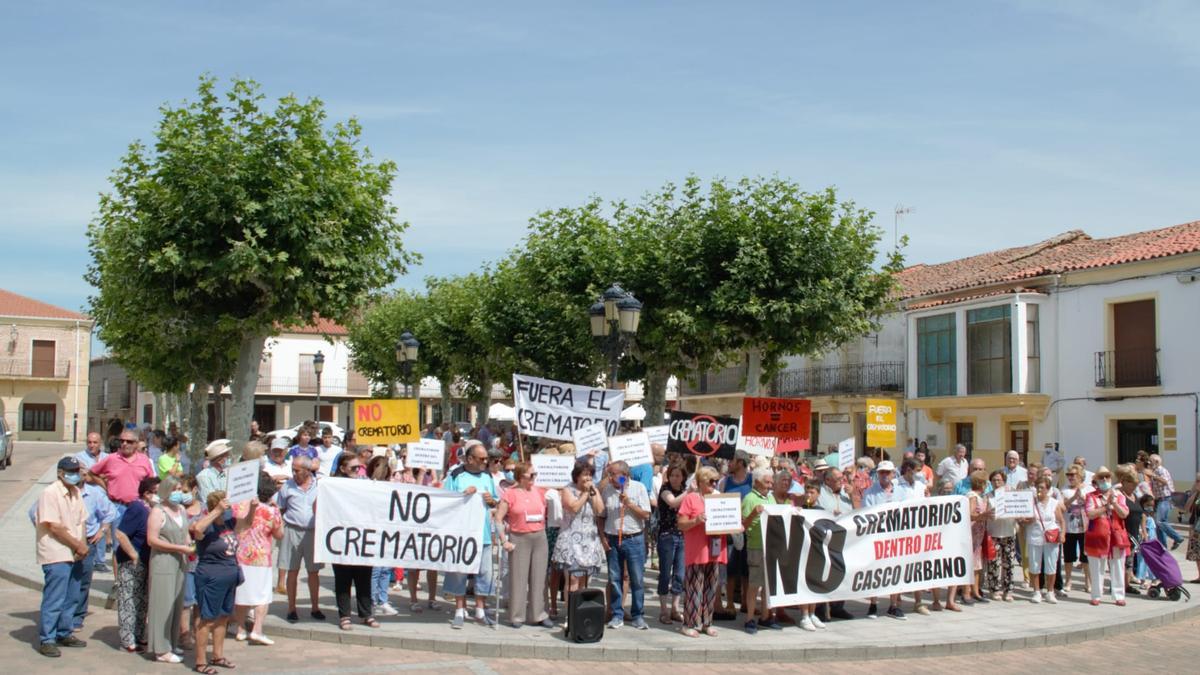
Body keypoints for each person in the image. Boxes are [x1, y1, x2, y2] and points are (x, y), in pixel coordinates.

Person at [34, 457, 91, 658]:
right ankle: (47, 638)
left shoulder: (76, 492)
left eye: (77, 470)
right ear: (60, 473)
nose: (75, 473)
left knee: (72, 595)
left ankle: (64, 632)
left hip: (75, 552)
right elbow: (55, 527)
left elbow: (81, 521)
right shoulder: (50, 493)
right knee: (55, 597)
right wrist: (77, 545)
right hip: (56, 552)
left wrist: (82, 546)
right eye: (70, 470)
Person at [443, 440, 500, 629]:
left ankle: (480, 610)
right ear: (469, 458)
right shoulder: (456, 474)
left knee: (485, 573)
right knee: (460, 571)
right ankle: (459, 609)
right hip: (462, 532)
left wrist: (491, 500)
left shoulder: (487, 475)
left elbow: (495, 502)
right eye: (482, 459)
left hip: (482, 531)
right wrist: (463, 494)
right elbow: (446, 500)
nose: (486, 462)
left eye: (487, 459)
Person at [497, 461, 554, 628]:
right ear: (521, 477)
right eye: (531, 475)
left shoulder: (539, 491)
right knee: (518, 577)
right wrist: (503, 540)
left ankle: (539, 614)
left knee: (539, 577)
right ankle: (517, 616)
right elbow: (499, 518)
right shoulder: (510, 494)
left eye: (535, 475)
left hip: (539, 536)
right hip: (519, 536)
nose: (534, 478)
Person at [599, 460, 651, 630]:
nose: (610, 477)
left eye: (613, 474)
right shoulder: (606, 490)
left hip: (634, 539)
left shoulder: (639, 488)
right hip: (613, 539)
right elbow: (601, 516)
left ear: (624, 475)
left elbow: (646, 514)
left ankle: (638, 615)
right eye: (609, 473)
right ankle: (617, 615)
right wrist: (602, 537)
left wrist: (629, 504)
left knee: (636, 579)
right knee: (614, 579)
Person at [329, 454, 379, 630]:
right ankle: (345, 616)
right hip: (341, 540)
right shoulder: (333, 485)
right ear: (342, 469)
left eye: (359, 467)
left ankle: (366, 614)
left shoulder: (365, 484)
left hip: (362, 539)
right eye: (353, 468)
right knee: (343, 580)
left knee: (363, 578)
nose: (358, 471)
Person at [232, 473, 284, 644]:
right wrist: (277, 513)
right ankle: (257, 629)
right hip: (261, 557)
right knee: (262, 596)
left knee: (241, 594)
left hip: (241, 554)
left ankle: (240, 628)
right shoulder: (272, 511)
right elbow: (279, 534)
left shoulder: (240, 505)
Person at [741, 468, 795, 632]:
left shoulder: (770, 498)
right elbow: (743, 526)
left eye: (771, 482)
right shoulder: (749, 499)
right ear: (757, 482)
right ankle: (749, 618)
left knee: (768, 585)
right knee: (754, 585)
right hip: (757, 547)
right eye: (767, 482)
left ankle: (765, 616)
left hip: (771, 547)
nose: (771, 485)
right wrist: (753, 514)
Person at [190, 490, 238, 673]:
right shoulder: (207, 523)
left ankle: (218, 655)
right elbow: (197, 530)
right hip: (210, 575)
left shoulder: (228, 522)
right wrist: (216, 511)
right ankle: (201, 661)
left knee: (223, 617)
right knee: (207, 618)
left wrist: (253, 508)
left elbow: (246, 524)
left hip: (229, 575)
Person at [676, 466, 726, 638]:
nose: (714, 484)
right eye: (710, 481)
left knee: (711, 587)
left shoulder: (720, 499)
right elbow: (681, 524)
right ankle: (689, 623)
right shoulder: (691, 499)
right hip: (697, 550)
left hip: (715, 548)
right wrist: (696, 520)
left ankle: (706, 622)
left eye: (716, 481)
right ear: (700, 482)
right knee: (694, 587)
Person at [146, 476, 192, 663]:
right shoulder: (158, 512)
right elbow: (152, 539)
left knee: (176, 602)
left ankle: (171, 643)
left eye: (181, 489)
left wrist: (189, 544)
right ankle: (160, 648)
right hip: (163, 561)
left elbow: (186, 533)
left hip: (181, 561)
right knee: (162, 604)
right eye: (175, 489)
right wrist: (178, 548)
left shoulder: (181, 510)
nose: (179, 492)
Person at [115, 475, 160, 653]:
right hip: (132, 561)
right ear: (147, 493)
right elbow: (120, 533)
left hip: (148, 560)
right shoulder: (137, 508)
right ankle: (128, 639)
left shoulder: (154, 509)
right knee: (129, 599)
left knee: (142, 601)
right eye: (156, 492)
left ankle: (140, 634)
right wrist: (133, 555)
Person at [276, 456, 324, 623]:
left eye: (297, 470)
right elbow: (280, 508)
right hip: (292, 530)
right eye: (293, 469)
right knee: (292, 570)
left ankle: (315, 607)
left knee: (313, 571)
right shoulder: (287, 486)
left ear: (307, 470)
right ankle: (291, 608)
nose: (294, 473)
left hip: (312, 532)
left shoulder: (319, 485)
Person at [551, 462, 606, 599]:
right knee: (573, 579)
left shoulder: (594, 490)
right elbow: (574, 508)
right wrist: (585, 494)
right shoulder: (568, 490)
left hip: (589, 540)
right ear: (577, 476)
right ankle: (570, 616)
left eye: (590, 475)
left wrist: (593, 493)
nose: (587, 478)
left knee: (584, 581)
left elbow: (600, 510)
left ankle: (580, 613)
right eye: (584, 475)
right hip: (571, 540)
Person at [1084, 466, 1130, 606]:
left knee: (1117, 565)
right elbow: (1090, 514)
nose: (1104, 479)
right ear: (1096, 481)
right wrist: (1105, 507)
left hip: (1116, 536)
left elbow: (1124, 514)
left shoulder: (1119, 495)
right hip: (1097, 536)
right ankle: (1096, 595)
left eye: (1107, 477)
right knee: (1096, 566)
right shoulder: (1091, 496)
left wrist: (1114, 503)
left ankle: (1118, 595)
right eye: (1101, 477)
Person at [90, 428, 156, 518]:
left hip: (137, 507)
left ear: (136, 444)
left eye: (129, 441)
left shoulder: (144, 460)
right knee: (116, 532)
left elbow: (150, 482)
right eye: (122, 441)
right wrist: (105, 487)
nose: (124, 444)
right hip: (116, 507)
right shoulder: (111, 458)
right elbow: (92, 472)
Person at [1021, 477, 1064, 604]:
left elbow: (1061, 520)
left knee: (1051, 565)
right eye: (1037, 487)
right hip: (1035, 536)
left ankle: (1050, 592)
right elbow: (1022, 521)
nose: (1039, 490)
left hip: (1051, 536)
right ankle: (1036, 591)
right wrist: (1028, 520)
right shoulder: (1031, 502)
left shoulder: (1054, 503)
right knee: (1034, 565)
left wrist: (1063, 534)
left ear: (1048, 489)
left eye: (1042, 487)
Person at [656, 463, 686, 625]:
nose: (675, 478)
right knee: (665, 573)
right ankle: (663, 609)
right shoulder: (665, 490)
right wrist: (690, 492)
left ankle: (675, 607)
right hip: (667, 536)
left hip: (683, 536)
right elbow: (673, 502)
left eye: (679, 475)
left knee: (680, 574)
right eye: (673, 475)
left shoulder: (686, 490)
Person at [985, 470, 1018, 602]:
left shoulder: (1011, 495)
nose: (997, 483)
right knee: (993, 563)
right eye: (994, 480)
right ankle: (994, 589)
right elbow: (984, 513)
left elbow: (1018, 508)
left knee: (1009, 563)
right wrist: (989, 513)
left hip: (1009, 532)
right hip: (994, 533)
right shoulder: (988, 496)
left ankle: (1008, 590)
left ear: (1004, 482)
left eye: (999, 480)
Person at [1061, 466, 1093, 595]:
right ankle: (1068, 581)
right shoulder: (1064, 489)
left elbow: (1092, 505)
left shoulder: (1089, 489)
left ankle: (1088, 582)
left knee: (1085, 557)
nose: (1070, 477)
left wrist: (1084, 500)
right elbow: (1063, 507)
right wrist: (1074, 497)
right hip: (1069, 528)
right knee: (1069, 557)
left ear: (1080, 475)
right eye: (1068, 474)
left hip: (1085, 527)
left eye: (1073, 474)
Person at [1148, 454, 1184, 550]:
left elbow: (1165, 481)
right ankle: (1162, 547)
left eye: (1150, 461)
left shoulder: (1160, 470)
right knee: (1159, 526)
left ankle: (1178, 537)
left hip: (1165, 498)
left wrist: (1153, 476)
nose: (1149, 463)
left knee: (1160, 521)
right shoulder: (1155, 471)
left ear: (1156, 462)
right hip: (1160, 499)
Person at [965, 470, 991, 604]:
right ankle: (966, 592)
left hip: (978, 534)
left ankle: (975, 591)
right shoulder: (972, 496)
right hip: (971, 533)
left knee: (976, 564)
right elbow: (969, 515)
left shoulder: (980, 496)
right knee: (970, 563)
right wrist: (983, 516)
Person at [1183, 473, 1200, 583]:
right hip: (1196, 527)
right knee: (1197, 553)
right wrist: (1194, 493)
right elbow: (1186, 508)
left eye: (1199, 481)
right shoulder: (1197, 495)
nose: (1197, 483)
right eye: (1197, 481)